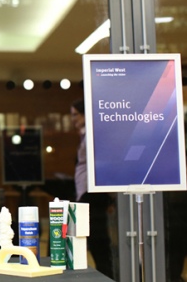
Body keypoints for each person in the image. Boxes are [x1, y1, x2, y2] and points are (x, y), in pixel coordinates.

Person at [70, 98, 114, 279]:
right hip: (87, 192)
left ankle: (107, 276)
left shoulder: (93, 136)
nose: (73, 119)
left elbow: (102, 164)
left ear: (85, 114)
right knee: (95, 244)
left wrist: (108, 197)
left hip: (92, 194)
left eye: (75, 115)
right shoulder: (85, 135)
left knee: (97, 244)